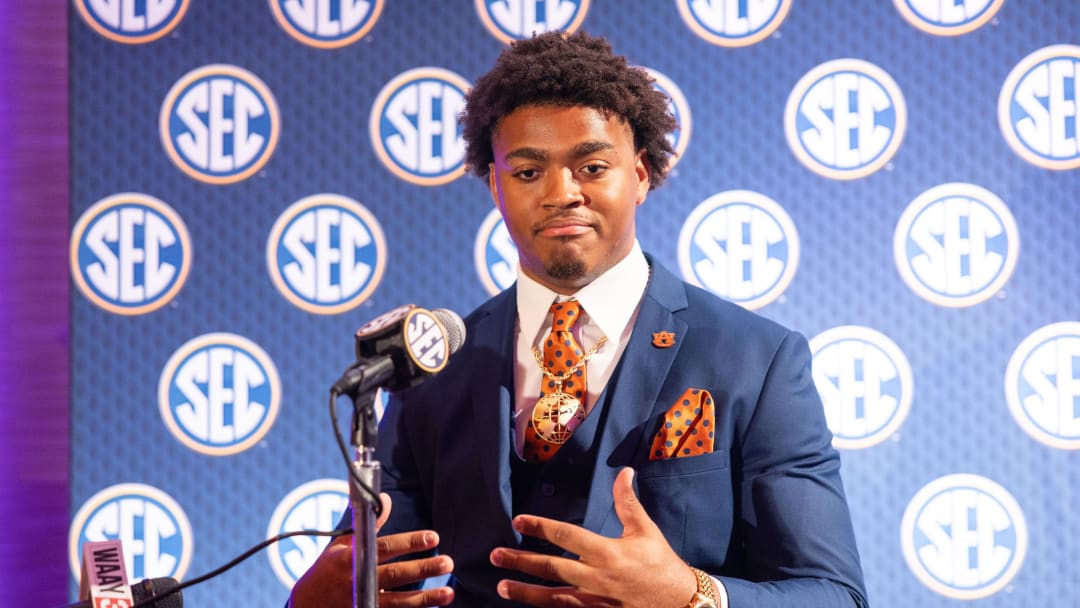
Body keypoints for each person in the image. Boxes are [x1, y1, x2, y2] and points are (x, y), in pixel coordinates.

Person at [290, 31, 867, 608]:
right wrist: (308, 602)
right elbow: (361, 574)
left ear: (639, 175)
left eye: (591, 166)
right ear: (495, 186)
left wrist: (692, 597)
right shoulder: (434, 369)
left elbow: (835, 595)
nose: (561, 193)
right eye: (527, 172)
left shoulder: (757, 359)